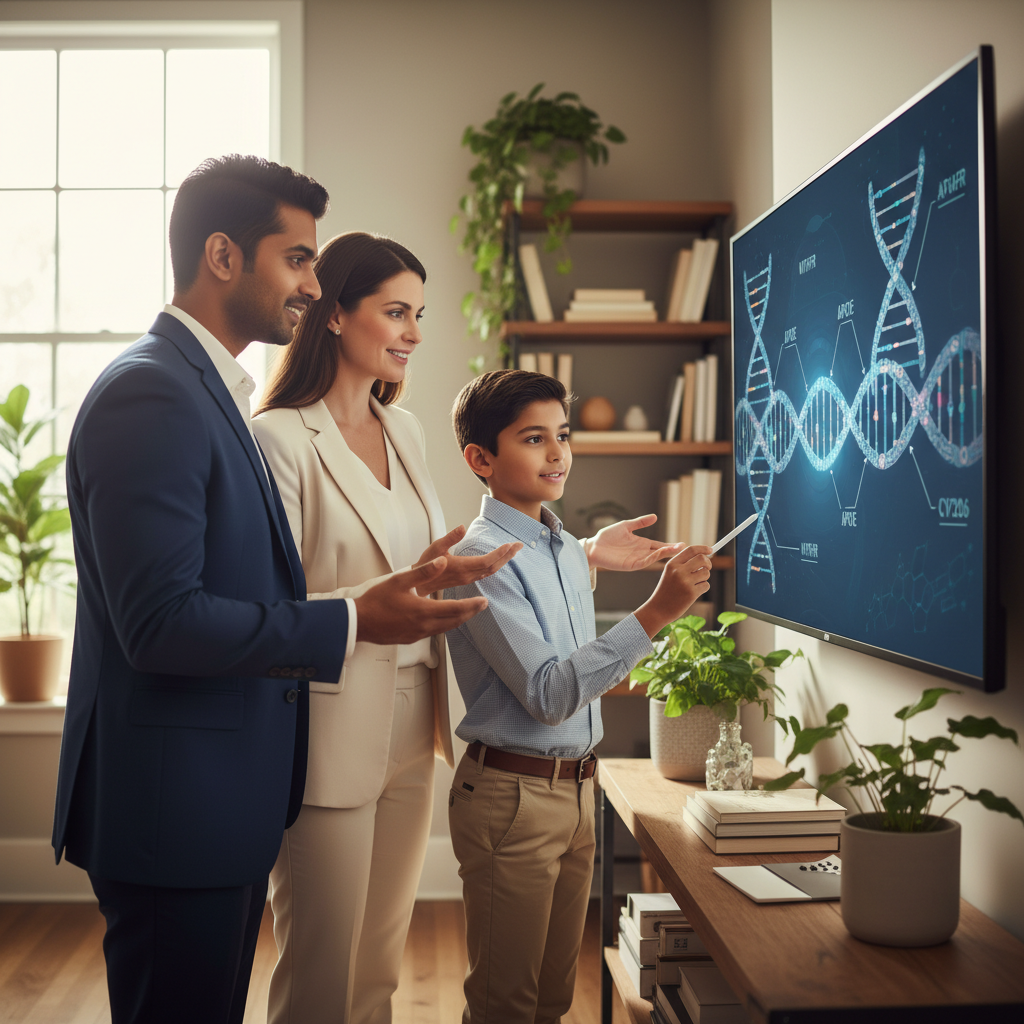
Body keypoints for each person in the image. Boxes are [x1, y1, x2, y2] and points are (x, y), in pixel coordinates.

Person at [51, 157, 487, 1024]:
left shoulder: (206, 390)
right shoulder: (155, 393)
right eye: (297, 260)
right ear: (222, 255)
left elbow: (244, 581)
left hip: (221, 796)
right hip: (179, 806)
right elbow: (161, 623)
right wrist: (359, 615)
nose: (313, 284)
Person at [250, 231, 520, 1024]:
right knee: (320, 969)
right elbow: (281, 601)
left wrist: (453, 571)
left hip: (418, 718)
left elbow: (422, 560)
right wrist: (396, 591)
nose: (414, 332)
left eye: (420, 314)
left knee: (378, 964)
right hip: (329, 721)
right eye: (396, 311)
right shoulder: (278, 438)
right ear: (334, 314)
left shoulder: (405, 431)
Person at [445, 369, 713, 1023]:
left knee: (553, 1000)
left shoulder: (560, 545)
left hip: (576, 793)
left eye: (562, 435)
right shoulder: (480, 559)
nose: (557, 453)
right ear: (480, 458)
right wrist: (657, 613)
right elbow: (549, 692)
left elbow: (565, 643)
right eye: (534, 438)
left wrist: (587, 553)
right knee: (503, 1004)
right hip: (512, 801)